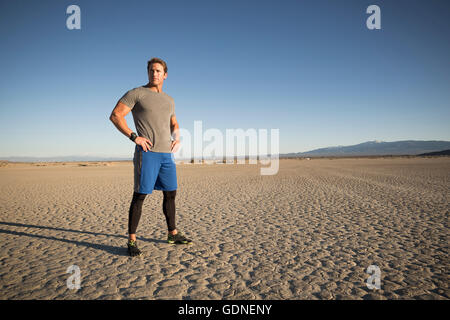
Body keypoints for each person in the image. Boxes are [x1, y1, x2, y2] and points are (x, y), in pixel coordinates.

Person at [109, 57, 192, 257]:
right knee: (140, 195)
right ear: (148, 73)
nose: (154, 73)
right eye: (151, 70)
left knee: (171, 193)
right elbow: (116, 115)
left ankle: (172, 234)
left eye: (158, 71)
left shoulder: (169, 100)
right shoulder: (137, 93)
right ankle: (131, 240)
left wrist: (177, 138)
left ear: (165, 75)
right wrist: (134, 137)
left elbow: (174, 123)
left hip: (166, 155)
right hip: (147, 154)